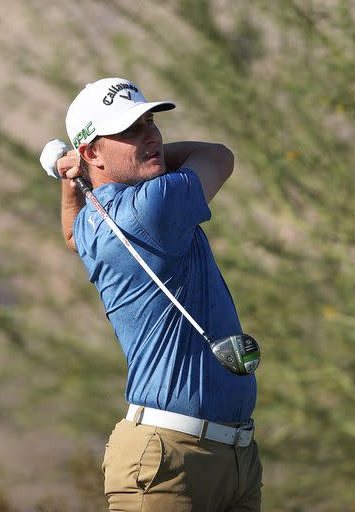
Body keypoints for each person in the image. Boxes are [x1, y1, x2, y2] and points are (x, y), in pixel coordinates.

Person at [46, 77, 261, 511]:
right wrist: (86, 173)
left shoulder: (95, 221)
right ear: (90, 151)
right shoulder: (156, 205)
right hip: (171, 460)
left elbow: (71, 235)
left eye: (150, 123)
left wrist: (75, 180)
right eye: (128, 131)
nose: (151, 137)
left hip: (229, 455)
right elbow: (219, 155)